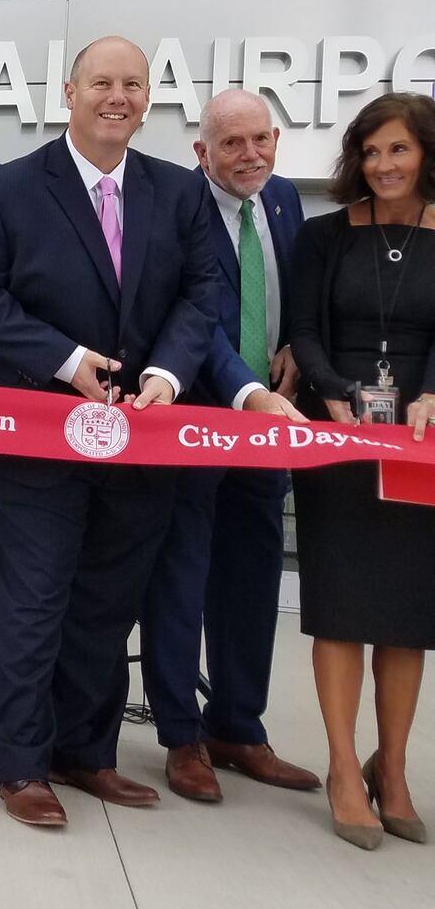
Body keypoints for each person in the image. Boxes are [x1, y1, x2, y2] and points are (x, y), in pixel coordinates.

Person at [0, 35, 219, 828]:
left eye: (133, 84)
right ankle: (22, 763)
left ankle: (86, 752)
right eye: (103, 81)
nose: (118, 96)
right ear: (70, 92)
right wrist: (65, 363)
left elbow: (203, 294)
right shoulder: (7, 191)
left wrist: (166, 375)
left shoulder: (180, 192)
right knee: (32, 601)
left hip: (140, 440)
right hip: (36, 435)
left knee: (106, 605)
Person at [139, 89, 320, 803]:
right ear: (201, 152)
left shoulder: (281, 202)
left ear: (275, 138)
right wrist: (249, 389)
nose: (251, 156)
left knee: (251, 578)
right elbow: (200, 320)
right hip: (198, 419)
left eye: (260, 140)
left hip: (268, 425)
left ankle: (239, 726)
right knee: (180, 581)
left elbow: (293, 292)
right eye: (233, 144)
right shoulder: (176, 209)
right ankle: (181, 736)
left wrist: (298, 349)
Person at [289, 91, 435, 850]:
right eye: (371, 151)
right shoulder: (322, 238)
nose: (383, 165)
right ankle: (345, 769)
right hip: (337, 433)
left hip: (422, 443)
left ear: (425, 154)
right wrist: (334, 393)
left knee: (408, 612)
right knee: (342, 605)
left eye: (399, 150)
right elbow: (303, 330)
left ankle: (395, 768)